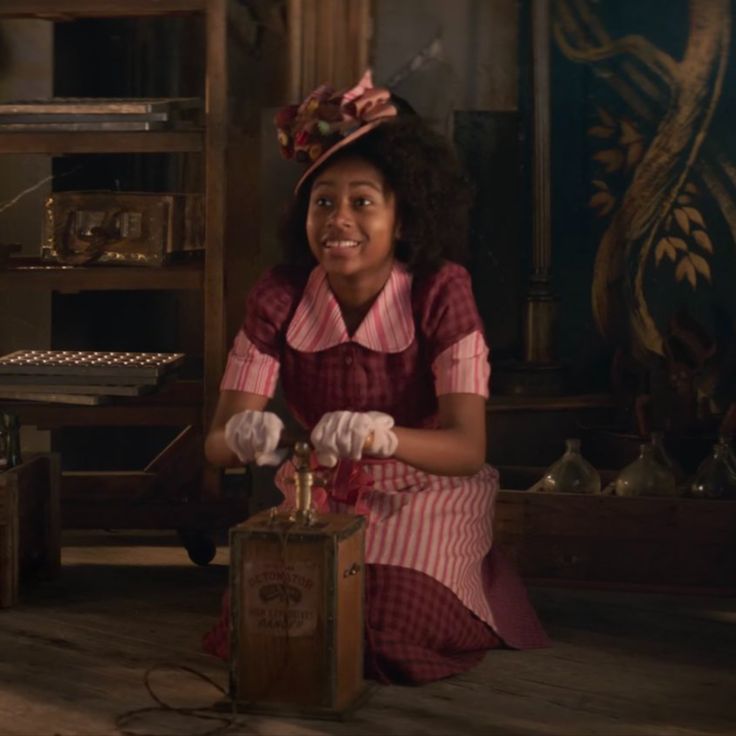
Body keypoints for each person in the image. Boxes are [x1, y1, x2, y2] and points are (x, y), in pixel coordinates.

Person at [203, 70, 548, 684]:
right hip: (321, 493)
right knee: (255, 624)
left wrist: (386, 437)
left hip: (428, 494)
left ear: (404, 218)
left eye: (363, 201)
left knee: (380, 621)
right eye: (323, 202)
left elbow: (467, 449)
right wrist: (245, 435)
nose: (339, 220)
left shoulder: (442, 292)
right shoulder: (280, 295)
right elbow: (217, 441)